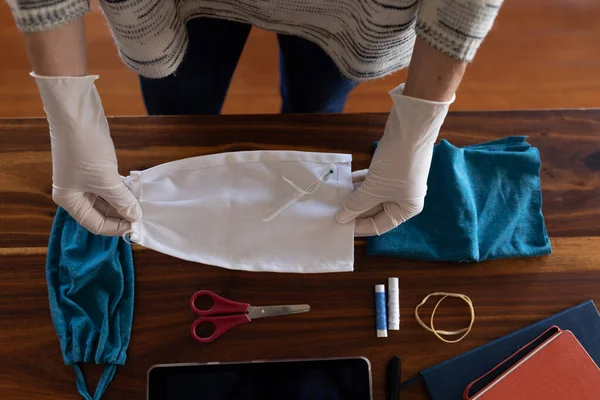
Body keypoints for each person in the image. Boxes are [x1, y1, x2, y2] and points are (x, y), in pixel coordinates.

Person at [7, 0, 503, 237]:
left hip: (349, 10)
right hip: (176, 6)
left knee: (312, 115)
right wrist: (68, 110)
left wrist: (419, 125)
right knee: (181, 121)